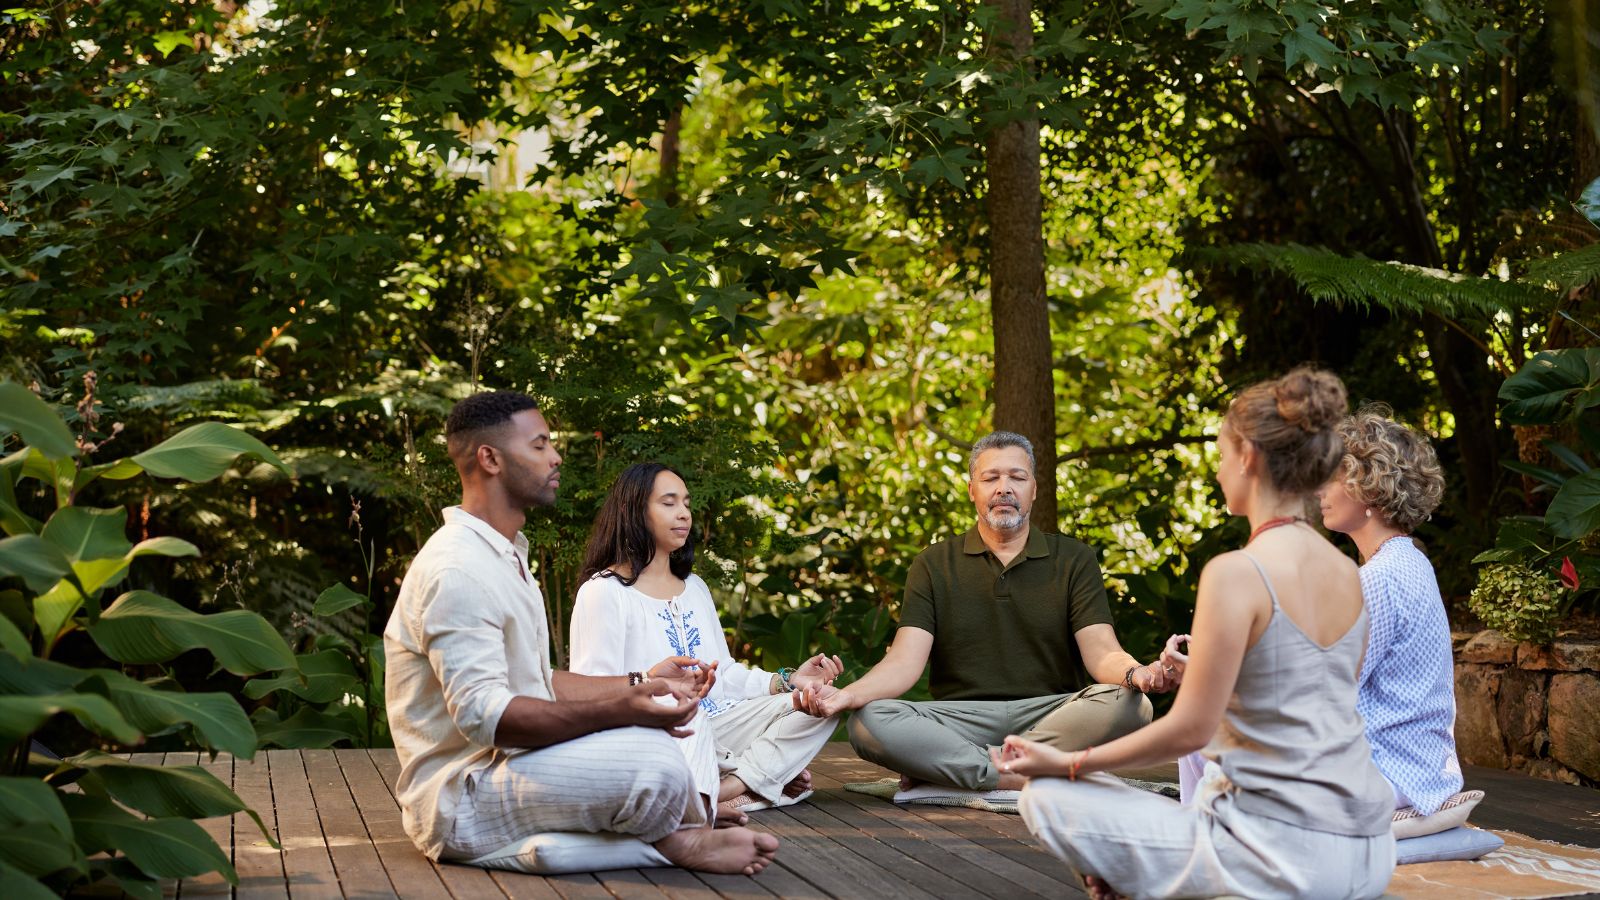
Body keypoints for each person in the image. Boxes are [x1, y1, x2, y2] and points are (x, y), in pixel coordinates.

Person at [994, 368, 1395, 900]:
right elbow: (1306, 699)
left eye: (1223, 452)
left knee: (1045, 793)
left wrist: (1067, 762)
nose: (1219, 468)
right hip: (1368, 851)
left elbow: (1188, 730)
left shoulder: (1236, 571)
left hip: (1277, 858)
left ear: (1248, 456)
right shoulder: (1348, 572)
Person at [384, 391, 779, 875]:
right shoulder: (458, 568)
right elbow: (486, 718)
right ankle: (679, 842)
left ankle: (665, 832)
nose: (556, 457)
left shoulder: (505, 555)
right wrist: (620, 711)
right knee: (657, 764)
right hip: (463, 794)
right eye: (539, 445)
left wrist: (643, 685)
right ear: (489, 458)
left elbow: (539, 680)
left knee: (676, 724)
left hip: (514, 766)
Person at [792, 430, 1180, 794]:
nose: (1004, 487)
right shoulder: (934, 563)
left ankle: (965, 771)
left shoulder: (1073, 559)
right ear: (972, 490)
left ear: (1034, 490)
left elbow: (1102, 651)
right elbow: (903, 665)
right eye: (990, 477)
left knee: (1131, 703)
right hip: (958, 720)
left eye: (1017, 477)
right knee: (867, 721)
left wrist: (1137, 674)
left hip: (1052, 713)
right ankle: (1022, 771)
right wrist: (847, 695)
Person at [569, 462, 843, 823]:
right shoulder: (603, 593)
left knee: (822, 704)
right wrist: (654, 681)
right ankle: (760, 780)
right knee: (700, 740)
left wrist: (790, 681)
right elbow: (592, 692)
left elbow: (723, 673)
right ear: (633, 510)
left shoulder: (694, 587)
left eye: (686, 503)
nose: (683, 513)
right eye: (668, 503)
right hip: (664, 732)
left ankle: (732, 786)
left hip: (724, 724)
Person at [1318, 406, 1462, 815]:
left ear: (1369, 487)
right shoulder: (1411, 561)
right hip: (1421, 771)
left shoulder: (1379, 578)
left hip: (1388, 774)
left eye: (1331, 478)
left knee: (1211, 737)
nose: (1319, 492)